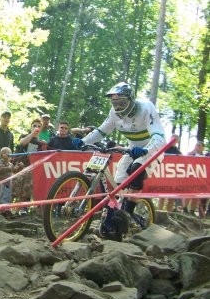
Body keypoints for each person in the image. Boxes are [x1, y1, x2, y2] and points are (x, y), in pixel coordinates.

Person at [74, 81, 166, 238]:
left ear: (131, 100)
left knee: (136, 169)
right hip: (132, 150)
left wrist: (146, 149)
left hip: (153, 148)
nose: (118, 107)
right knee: (118, 186)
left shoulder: (146, 108)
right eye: (114, 103)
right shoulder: (114, 113)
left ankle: (129, 211)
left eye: (122, 102)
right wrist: (84, 141)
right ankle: (114, 219)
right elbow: (102, 131)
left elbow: (159, 135)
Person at [158, 137, 181, 212]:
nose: (173, 140)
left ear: (177, 141)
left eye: (175, 139)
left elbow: (183, 161)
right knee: (162, 196)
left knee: (171, 197)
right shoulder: (164, 148)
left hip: (173, 177)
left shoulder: (178, 152)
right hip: (164, 176)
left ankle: (169, 213)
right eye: (172, 138)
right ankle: (159, 211)